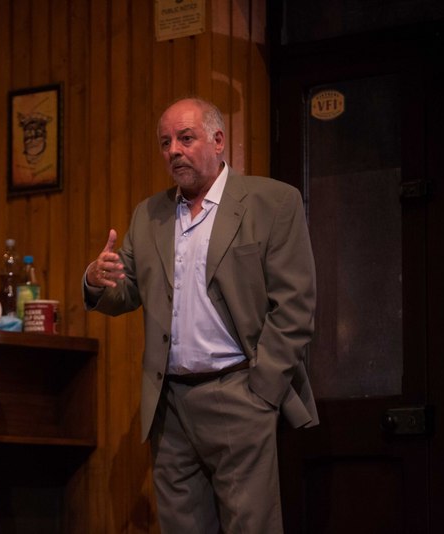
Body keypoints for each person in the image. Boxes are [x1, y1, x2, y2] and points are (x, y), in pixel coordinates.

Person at [83, 97, 318, 533]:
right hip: (170, 405)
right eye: (166, 142)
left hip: (239, 392)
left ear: (219, 140)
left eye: (186, 138)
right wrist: (98, 280)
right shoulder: (149, 214)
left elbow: (295, 307)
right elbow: (127, 292)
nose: (174, 150)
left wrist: (262, 390)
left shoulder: (273, 202)